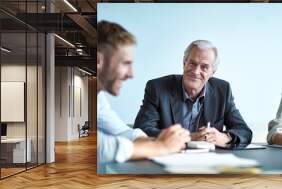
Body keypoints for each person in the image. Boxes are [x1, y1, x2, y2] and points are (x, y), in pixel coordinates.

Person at [97, 20, 190, 163]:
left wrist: (150, 141)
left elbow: (122, 131)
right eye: (126, 63)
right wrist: (161, 147)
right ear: (99, 60)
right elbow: (103, 147)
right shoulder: (157, 87)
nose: (131, 74)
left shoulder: (98, 99)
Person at [134, 40, 252, 148]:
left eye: (204, 67)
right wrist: (191, 137)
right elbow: (141, 131)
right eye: (192, 63)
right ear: (184, 63)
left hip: (209, 163)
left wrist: (225, 138)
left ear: (212, 72)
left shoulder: (223, 90)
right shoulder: (157, 88)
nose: (196, 72)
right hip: (168, 158)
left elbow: (244, 131)